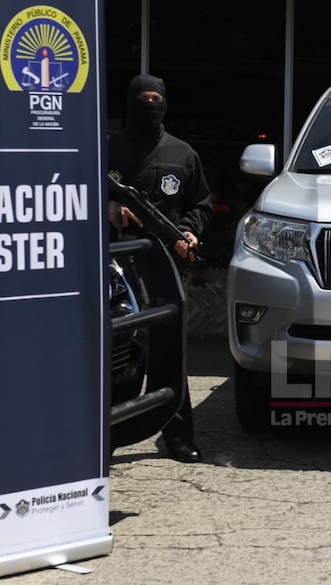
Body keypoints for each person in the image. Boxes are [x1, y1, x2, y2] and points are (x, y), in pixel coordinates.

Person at [107, 74, 212, 463]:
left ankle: (178, 435)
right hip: (115, 267)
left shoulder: (182, 154)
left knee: (170, 350)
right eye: (143, 99)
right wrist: (109, 210)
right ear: (130, 102)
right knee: (119, 350)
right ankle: (112, 430)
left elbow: (199, 203)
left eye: (157, 99)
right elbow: (77, 194)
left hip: (164, 265)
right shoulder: (107, 149)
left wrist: (188, 233)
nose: (151, 106)